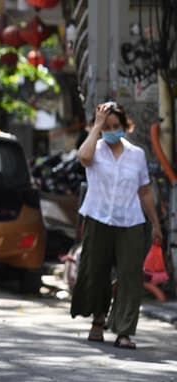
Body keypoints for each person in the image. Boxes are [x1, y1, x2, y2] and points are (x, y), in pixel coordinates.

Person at [71, 101, 162, 349]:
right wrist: (96, 126)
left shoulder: (137, 155)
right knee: (96, 272)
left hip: (130, 221)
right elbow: (83, 158)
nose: (111, 131)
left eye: (115, 126)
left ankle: (124, 331)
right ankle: (98, 320)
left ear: (125, 126)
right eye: (107, 127)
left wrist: (155, 224)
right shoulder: (95, 148)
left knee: (130, 276)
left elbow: (144, 191)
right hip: (98, 218)